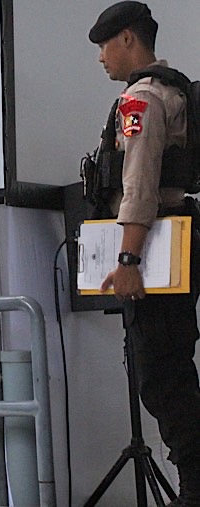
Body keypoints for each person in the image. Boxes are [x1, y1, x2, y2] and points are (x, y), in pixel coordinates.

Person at [89, 2, 200, 505]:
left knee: (163, 376)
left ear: (129, 39)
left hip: (157, 250)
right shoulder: (166, 91)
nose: (100, 58)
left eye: (104, 45)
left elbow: (139, 186)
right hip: (171, 242)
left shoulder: (143, 98)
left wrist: (129, 262)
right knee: (168, 369)